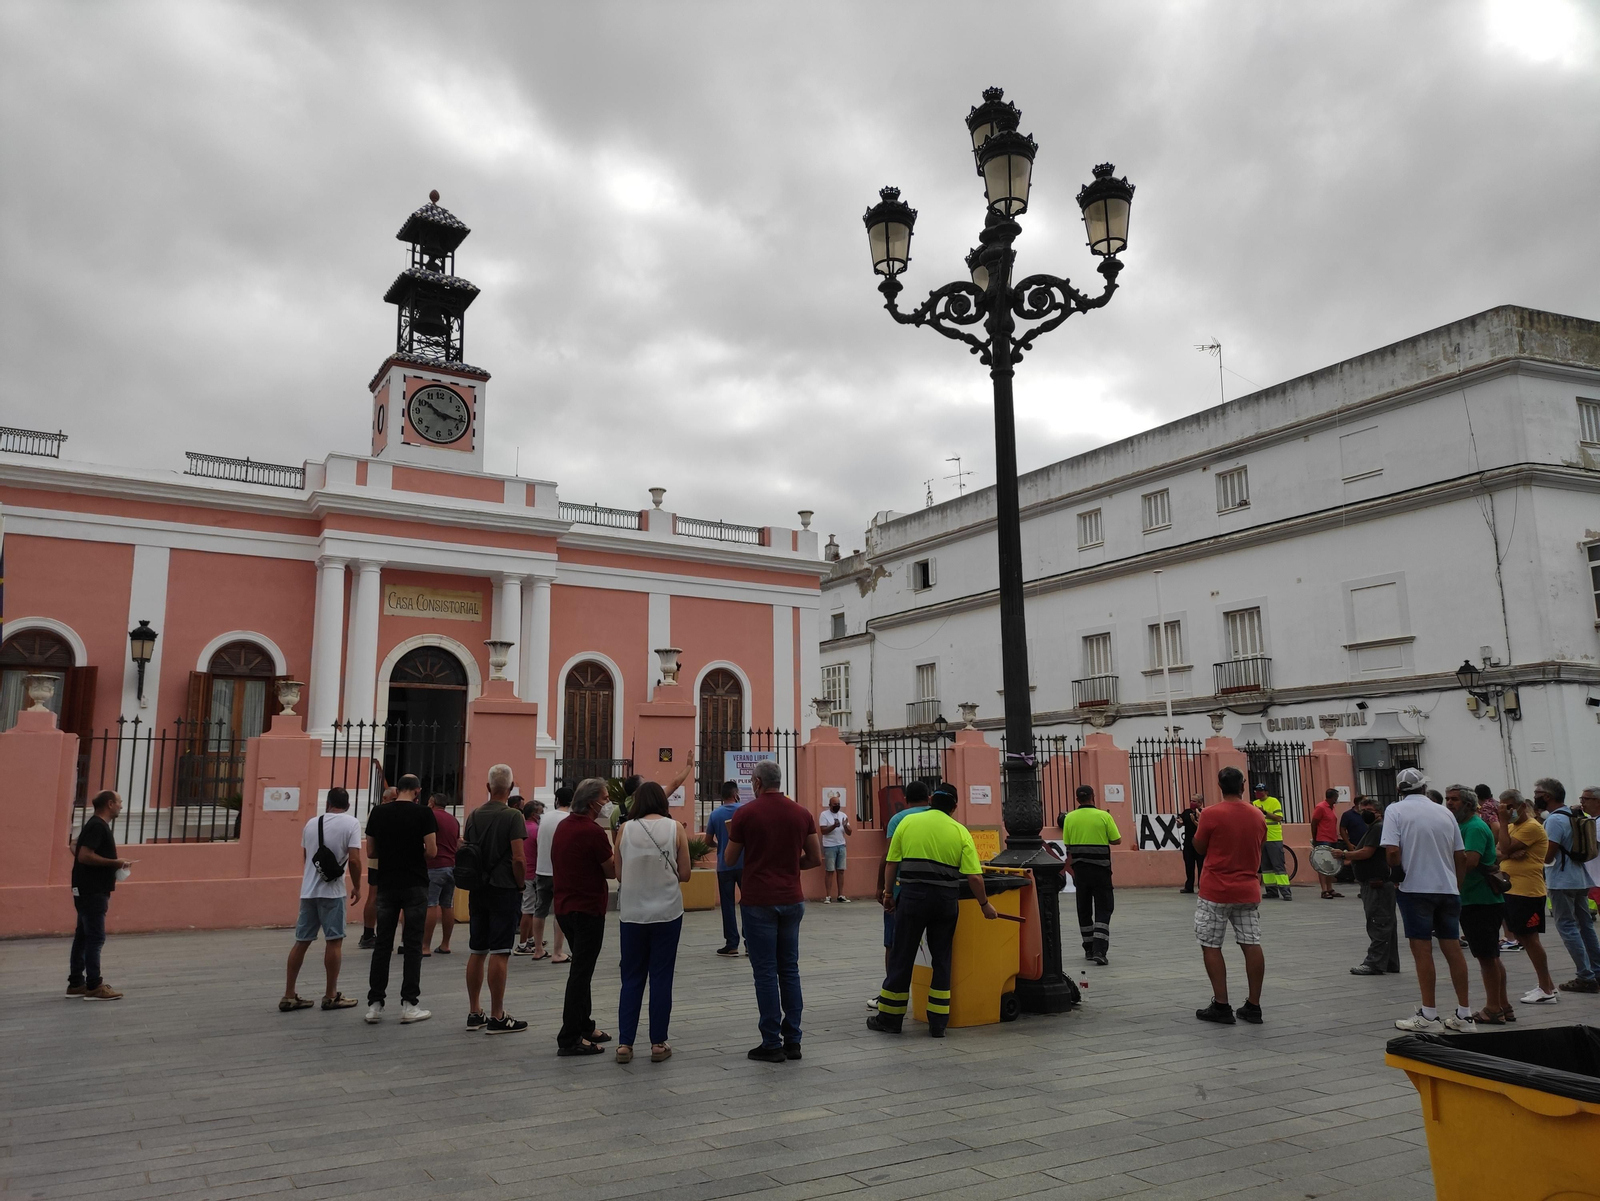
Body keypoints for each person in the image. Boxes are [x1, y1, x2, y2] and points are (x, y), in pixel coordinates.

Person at [868, 785, 997, 1037]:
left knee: (902, 955)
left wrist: (887, 895)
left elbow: (891, 863)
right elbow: (975, 878)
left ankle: (890, 1019)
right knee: (942, 959)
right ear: (954, 807)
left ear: (931, 801)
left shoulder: (908, 823)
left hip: (913, 897)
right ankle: (938, 1023)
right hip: (945, 901)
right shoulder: (960, 831)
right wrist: (984, 905)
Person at [725, 759, 822, 1063]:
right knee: (789, 969)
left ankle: (771, 1042)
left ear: (756, 782)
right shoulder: (802, 813)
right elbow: (814, 858)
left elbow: (730, 859)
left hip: (758, 900)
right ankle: (793, 1039)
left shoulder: (746, 814)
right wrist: (791, 866)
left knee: (765, 972)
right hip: (792, 899)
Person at [1384, 768, 1474, 1032]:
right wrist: (1456, 885)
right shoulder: (1444, 812)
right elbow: (1461, 856)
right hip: (1447, 889)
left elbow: (1391, 852)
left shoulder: (1395, 810)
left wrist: (1397, 874)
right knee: (1453, 949)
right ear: (1424, 788)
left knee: (1422, 951)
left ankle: (1429, 1014)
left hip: (1415, 889)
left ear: (1400, 790)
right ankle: (1465, 1015)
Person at [613, 781, 691, 1063]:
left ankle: (625, 1044)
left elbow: (619, 874)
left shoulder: (625, 829)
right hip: (667, 912)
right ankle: (658, 1043)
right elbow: (685, 873)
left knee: (631, 977)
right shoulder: (675, 828)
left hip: (633, 914)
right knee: (661, 977)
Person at [1191, 767, 1267, 1024]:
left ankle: (1221, 1005)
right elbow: (1260, 843)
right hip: (1247, 888)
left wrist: (1198, 824)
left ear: (1220, 786)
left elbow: (1199, 847)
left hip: (1215, 889)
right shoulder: (1257, 815)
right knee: (1251, 943)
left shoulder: (1211, 814)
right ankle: (1253, 1005)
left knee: (1211, 944)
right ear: (1243, 786)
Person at [364, 774, 437, 1024]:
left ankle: (375, 1004)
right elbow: (433, 850)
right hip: (415, 882)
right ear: (417, 791)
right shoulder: (423, 814)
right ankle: (409, 1004)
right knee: (413, 943)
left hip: (387, 882)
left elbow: (371, 851)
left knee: (383, 943)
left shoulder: (378, 813)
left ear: (398, 790)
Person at [281, 788, 363, 1012]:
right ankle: (330, 994)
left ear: (328, 803)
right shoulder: (351, 824)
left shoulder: (310, 824)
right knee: (334, 942)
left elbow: (307, 858)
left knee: (301, 941)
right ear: (347, 805)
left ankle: (289, 994)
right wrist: (357, 885)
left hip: (308, 892)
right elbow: (355, 860)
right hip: (333, 892)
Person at [462, 764, 529, 1034]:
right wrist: (521, 884)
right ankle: (497, 1015)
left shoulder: (473, 815)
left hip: (478, 888)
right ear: (511, 788)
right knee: (500, 951)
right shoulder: (514, 816)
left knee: (477, 951)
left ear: (488, 787)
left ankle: (474, 1011)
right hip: (503, 889)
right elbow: (519, 858)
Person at [551, 778, 616, 1056]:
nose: (607, 802)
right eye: (604, 798)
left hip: (566, 907)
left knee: (581, 967)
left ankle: (585, 1024)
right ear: (592, 803)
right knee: (580, 973)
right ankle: (569, 1037)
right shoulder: (592, 832)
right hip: (586, 909)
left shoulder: (563, 826)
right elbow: (611, 871)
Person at [868, 781, 934, 1011]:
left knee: (894, 944)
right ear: (929, 797)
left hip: (902, 889)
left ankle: (892, 994)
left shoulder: (899, 819)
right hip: (936, 890)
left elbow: (889, 856)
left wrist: (883, 889)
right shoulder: (941, 817)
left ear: (906, 800)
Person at [1446, 786, 1508, 1024]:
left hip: (1480, 900)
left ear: (1469, 805)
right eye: (1448, 799)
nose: (1450, 803)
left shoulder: (1473, 827)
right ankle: (1503, 1005)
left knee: (1486, 957)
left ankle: (1493, 1008)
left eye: (1455, 800)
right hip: (1476, 899)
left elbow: (1469, 861)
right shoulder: (1463, 825)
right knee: (1490, 956)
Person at [67, 790, 131, 1001]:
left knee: (83, 935)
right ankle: (94, 986)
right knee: (95, 938)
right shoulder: (98, 826)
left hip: (84, 888)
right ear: (110, 804)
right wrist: (115, 862)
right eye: (119, 802)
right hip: (93, 890)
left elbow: (75, 845)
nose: (122, 806)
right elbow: (84, 855)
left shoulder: (92, 824)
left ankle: (76, 983)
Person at [1497, 789, 1559, 1005]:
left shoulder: (1530, 826)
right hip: (1513, 890)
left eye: (1509, 807)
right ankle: (1548, 984)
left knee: (1530, 939)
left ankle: (1546, 989)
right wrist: (1508, 851)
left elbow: (1502, 847)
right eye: (1503, 806)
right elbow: (1498, 852)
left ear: (1522, 806)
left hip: (1527, 891)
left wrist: (1503, 827)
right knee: (1526, 938)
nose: (1506, 811)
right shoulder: (1515, 827)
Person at [1539, 777, 1600, 993]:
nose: (1536, 796)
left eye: (1538, 793)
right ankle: (1597, 970)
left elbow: (1549, 853)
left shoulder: (1555, 820)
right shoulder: (1574, 815)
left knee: (1567, 926)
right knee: (1585, 925)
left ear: (1547, 796)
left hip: (1561, 880)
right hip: (1579, 877)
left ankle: (1585, 975)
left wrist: (1533, 859)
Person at [1337, 795, 1400, 976]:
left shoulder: (1377, 828)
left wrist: (1344, 855)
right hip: (1376, 883)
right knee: (1386, 923)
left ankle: (1374, 963)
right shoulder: (1375, 828)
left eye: (1368, 811)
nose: (1364, 814)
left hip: (1376, 884)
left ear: (1378, 813)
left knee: (1378, 922)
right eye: (1361, 811)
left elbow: (1366, 852)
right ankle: (1389, 962)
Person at [1061, 784, 1121, 965]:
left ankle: (1088, 948)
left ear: (1077, 799)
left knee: (1084, 908)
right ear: (1093, 796)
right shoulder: (1104, 816)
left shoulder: (1069, 818)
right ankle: (1099, 950)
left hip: (1080, 871)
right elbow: (1117, 840)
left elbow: (1067, 844)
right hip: (1101, 870)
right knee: (1104, 908)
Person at [518, 785, 571, 961]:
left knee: (539, 910)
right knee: (560, 912)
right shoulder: (569, 819)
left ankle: (538, 949)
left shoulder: (543, 819)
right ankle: (557, 951)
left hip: (542, 871)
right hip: (560, 871)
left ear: (556, 800)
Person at [705, 780, 746, 956]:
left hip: (725, 865)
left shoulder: (715, 815)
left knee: (727, 905)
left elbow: (707, 841)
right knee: (749, 903)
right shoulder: (744, 811)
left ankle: (732, 944)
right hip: (745, 864)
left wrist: (720, 845)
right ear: (736, 793)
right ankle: (750, 943)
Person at [358, 786, 399, 949]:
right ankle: (368, 933)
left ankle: (371, 934)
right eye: (394, 800)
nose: (397, 803)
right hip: (379, 861)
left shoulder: (377, 813)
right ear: (385, 799)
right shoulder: (379, 813)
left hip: (380, 861)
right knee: (374, 896)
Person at [423, 793, 459, 957]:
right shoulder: (454, 820)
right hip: (451, 866)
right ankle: (445, 944)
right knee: (447, 905)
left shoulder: (429, 816)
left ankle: (425, 946)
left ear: (432, 802)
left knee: (430, 904)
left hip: (434, 865)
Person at [1253, 784, 1291, 900]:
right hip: (1261, 839)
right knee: (1266, 867)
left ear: (1266, 792)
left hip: (1274, 838)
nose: (1258, 793)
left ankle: (1286, 892)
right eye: (1256, 791)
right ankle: (1271, 891)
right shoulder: (1255, 803)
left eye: (1261, 791)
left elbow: (1278, 818)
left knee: (1278, 866)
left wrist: (1264, 812)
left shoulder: (1274, 801)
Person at [818, 793, 853, 903]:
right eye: (835, 804)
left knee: (841, 870)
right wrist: (834, 826)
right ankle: (828, 896)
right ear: (830, 805)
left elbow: (849, 832)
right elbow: (823, 831)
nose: (837, 806)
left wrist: (845, 825)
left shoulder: (843, 815)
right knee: (830, 871)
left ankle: (841, 895)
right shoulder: (824, 815)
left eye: (838, 804)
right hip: (829, 846)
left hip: (841, 845)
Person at [1311, 788, 1344, 899]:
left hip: (1332, 838)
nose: (1337, 799)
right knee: (1322, 864)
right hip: (1323, 838)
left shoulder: (1332, 807)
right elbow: (1314, 823)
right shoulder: (1321, 807)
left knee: (1331, 864)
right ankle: (1324, 890)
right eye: (1336, 797)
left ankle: (1330, 888)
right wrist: (1315, 838)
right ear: (1331, 797)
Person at [1336, 794, 1368, 887]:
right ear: (1358, 803)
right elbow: (1342, 829)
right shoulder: (1348, 815)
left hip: (1367, 843)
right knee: (1357, 865)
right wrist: (1348, 843)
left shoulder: (1367, 814)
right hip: (1355, 843)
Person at [1178, 794, 1205, 894]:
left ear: (1200, 803)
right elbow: (1179, 824)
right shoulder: (1186, 812)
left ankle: (1202, 887)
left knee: (1201, 866)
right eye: (1191, 800)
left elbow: (1202, 827)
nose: (1192, 803)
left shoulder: (1203, 813)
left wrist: (1194, 821)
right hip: (1188, 844)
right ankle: (1189, 887)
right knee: (1189, 866)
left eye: (1194, 801)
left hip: (1200, 844)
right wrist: (1179, 822)